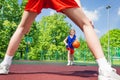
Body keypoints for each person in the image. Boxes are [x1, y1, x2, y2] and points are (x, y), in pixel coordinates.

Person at [0, 0, 120, 79]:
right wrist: (83, 15)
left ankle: (4, 65)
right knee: (86, 24)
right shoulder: (68, 37)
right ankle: (104, 69)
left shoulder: (73, 37)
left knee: (21, 28)